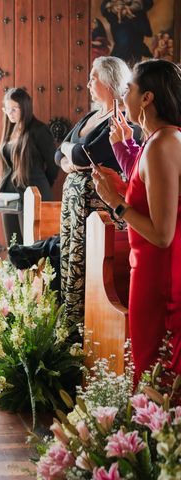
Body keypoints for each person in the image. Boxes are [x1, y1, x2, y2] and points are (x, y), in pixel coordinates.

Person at [92, 59, 181, 383]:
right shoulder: (157, 141)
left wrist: (114, 203)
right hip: (147, 269)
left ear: (147, 98)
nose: (123, 94)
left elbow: (161, 235)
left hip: (161, 275)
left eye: (128, 88)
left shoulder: (163, 144)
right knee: (149, 370)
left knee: (157, 373)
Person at [55, 56, 136, 327]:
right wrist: (71, 157)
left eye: (94, 78)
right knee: (68, 259)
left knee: (85, 265)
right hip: (73, 207)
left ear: (110, 82)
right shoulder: (91, 116)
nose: (89, 83)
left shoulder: (119, 119)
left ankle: (83, 330)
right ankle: (69, 327)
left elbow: (81, 153)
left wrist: (72, 156)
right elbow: (62, 153)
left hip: (96, 209)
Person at [0, 88, 58, 246]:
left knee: (33, 245)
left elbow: (53, 164)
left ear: (24, 107)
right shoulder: (10, 130)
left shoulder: (39, 130)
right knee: (14, 244)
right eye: (7, 109)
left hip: (32, 192)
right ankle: (18, 272)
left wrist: (41, 186)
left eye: (14, 109)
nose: (10, 113)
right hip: (10, 196)